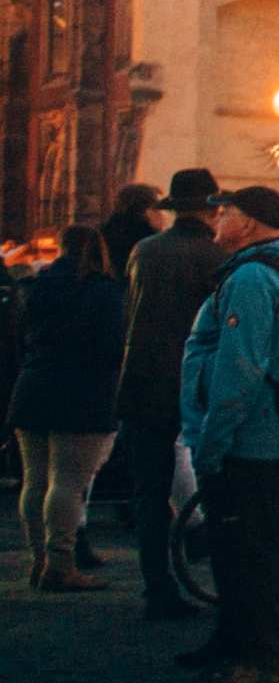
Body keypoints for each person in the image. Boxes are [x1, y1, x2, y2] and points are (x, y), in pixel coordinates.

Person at [178, 183, 279, 680]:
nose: (217, 217)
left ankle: (269, 651)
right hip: (277, 429)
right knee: (272, 540)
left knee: (251, 547)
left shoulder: (252, 278)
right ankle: (245, 637)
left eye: (227, 210)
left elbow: (238, 368)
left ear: (250, 221)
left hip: (251, 435)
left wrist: (212, 442)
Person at [117, 166, 224, 620]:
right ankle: (221, 574)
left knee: (149, 491)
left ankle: (155, 586)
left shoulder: (144, 250)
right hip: (192, 384)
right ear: (210, 209)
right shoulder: (216, 257)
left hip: (141, 382)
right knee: (215, 482)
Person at [11, 222, 126, 591]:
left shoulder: (36, 286)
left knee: (35, 481)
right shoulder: (105, 291)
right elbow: (112, 343)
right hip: (83, 391)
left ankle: (39, 560)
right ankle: (60, 565)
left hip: (33, 385)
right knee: (68, 482)